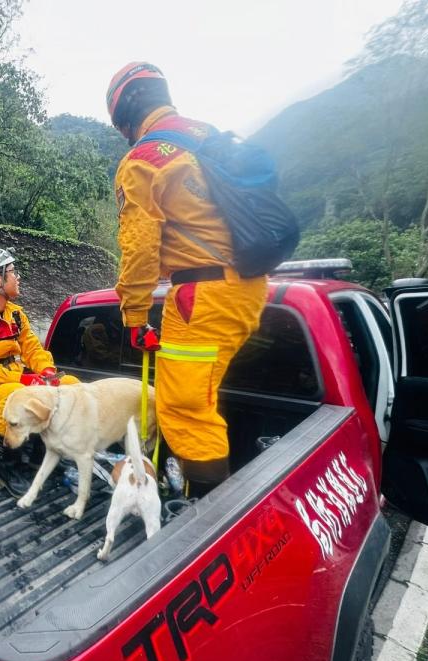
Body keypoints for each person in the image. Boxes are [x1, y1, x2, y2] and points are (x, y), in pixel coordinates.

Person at [105, 61, 268, 496]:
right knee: (204, 399)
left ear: (124, 115)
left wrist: (136, 318)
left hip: (203, 295)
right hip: (248, 285)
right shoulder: (208, 137)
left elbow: (139, 249)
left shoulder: (141, 160)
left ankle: (203, 518)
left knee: (182, 410)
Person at [0, 247, 79, 497]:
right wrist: (22, 378)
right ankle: (10, 469)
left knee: (71, 385)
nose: (18, 277)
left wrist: (49, 374)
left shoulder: (16, 315)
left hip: (15, 385)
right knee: (15, 395)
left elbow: (34, 350)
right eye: (12, 272)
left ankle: (46, 455)